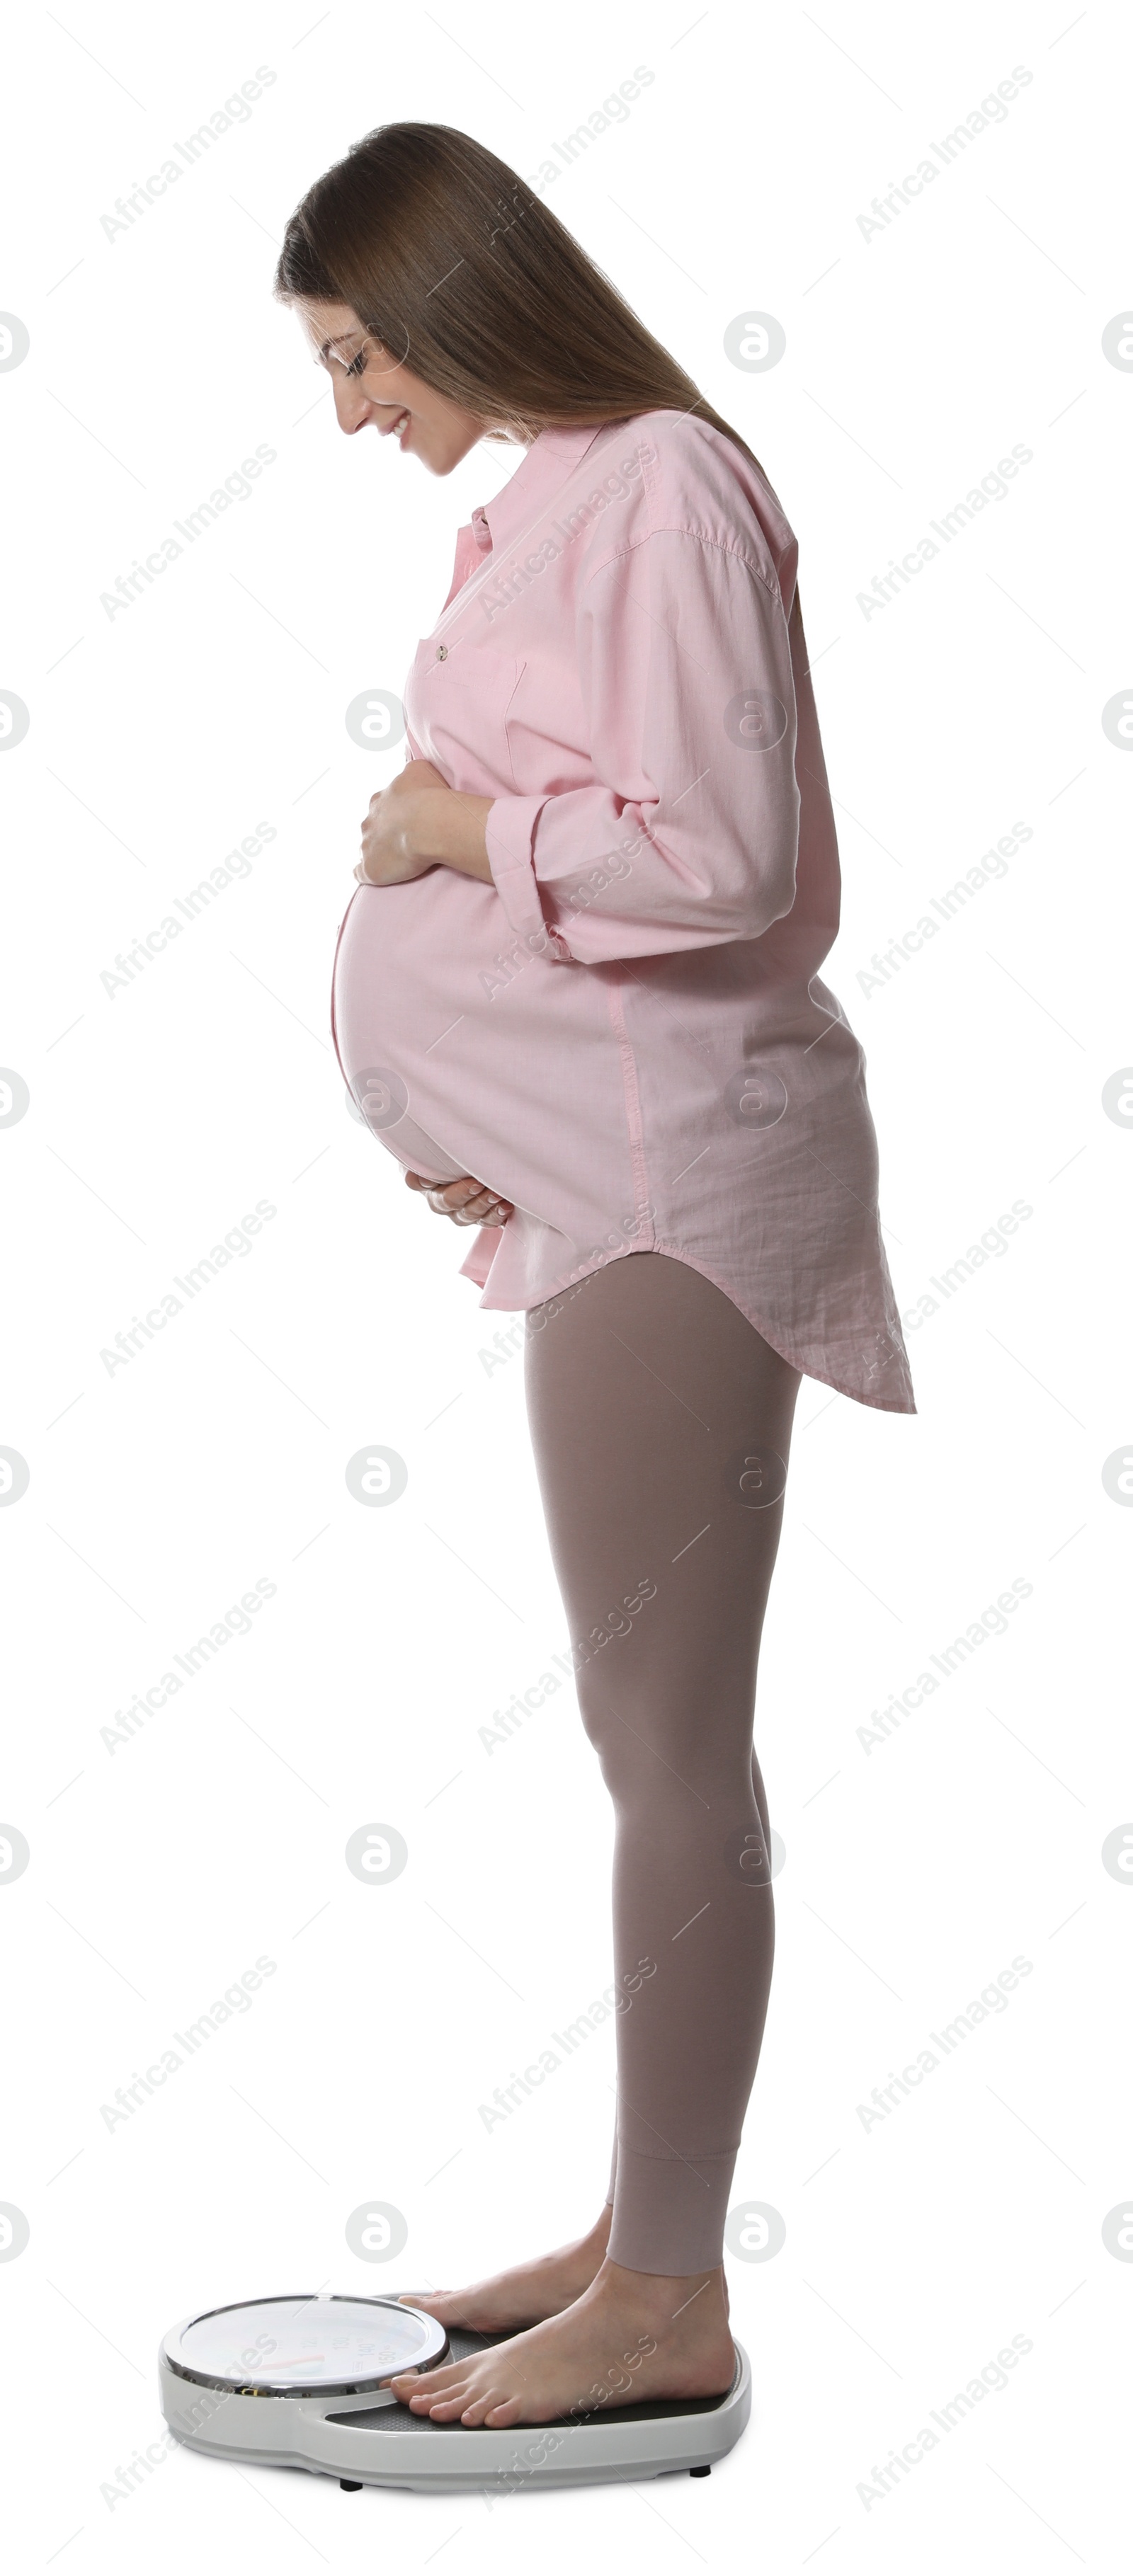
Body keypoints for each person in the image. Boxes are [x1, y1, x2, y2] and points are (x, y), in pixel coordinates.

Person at [274, 120, 914, 2434]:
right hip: (597, 1174)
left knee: (667, 1748)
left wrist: (452, 831)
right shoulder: (559, 493)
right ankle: (632, 2240)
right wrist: (478, 1093)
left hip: (673, 1179)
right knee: (637, 1739)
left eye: (356, 355)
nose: (349, 408)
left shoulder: (657, 482)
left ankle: (667, 2301)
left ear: (452, 299)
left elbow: (725, 863)